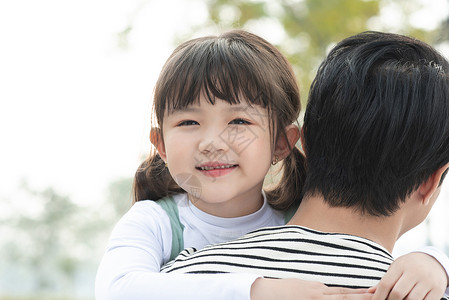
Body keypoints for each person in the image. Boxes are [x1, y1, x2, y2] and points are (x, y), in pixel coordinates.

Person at [96, 30, 449, 300]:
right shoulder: (157, 225)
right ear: (159, 145)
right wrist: (258, 289)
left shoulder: (285, 213)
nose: (212, 143)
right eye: (189, 123)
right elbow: (118, 288)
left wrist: (434, 262)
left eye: (239, 122)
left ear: (289, 142)